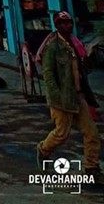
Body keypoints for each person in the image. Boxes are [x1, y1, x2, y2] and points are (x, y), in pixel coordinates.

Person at [37, 11, 101, 184]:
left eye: (69, 23)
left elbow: (82, 69)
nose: (67, 26)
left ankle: (91, 168)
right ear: (57, 25)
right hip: (61, 98)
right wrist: (56, 97)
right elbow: (48, 74)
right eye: (63, 23)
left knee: (92, 133)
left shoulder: (75, 43)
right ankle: (43, 149)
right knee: (61, 134)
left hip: (78, 95)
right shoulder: (52, 46)